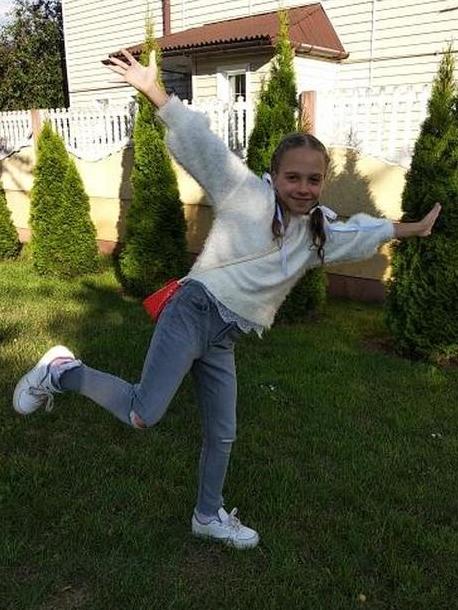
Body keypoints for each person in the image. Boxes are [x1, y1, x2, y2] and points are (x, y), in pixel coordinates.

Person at [13, 49, 441, 550]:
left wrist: (412, 228)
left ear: (323, 181)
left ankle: (207, 515)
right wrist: (155, 91)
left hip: (225, 335)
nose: (303, 188)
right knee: (142, 413)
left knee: (223, 432)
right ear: (274, 175)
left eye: (314, 179)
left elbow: (361, 234)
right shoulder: (245, 194)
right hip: (192, 312)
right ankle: (61, 370)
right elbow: (203, 145)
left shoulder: (317, 233)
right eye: (293, 177)